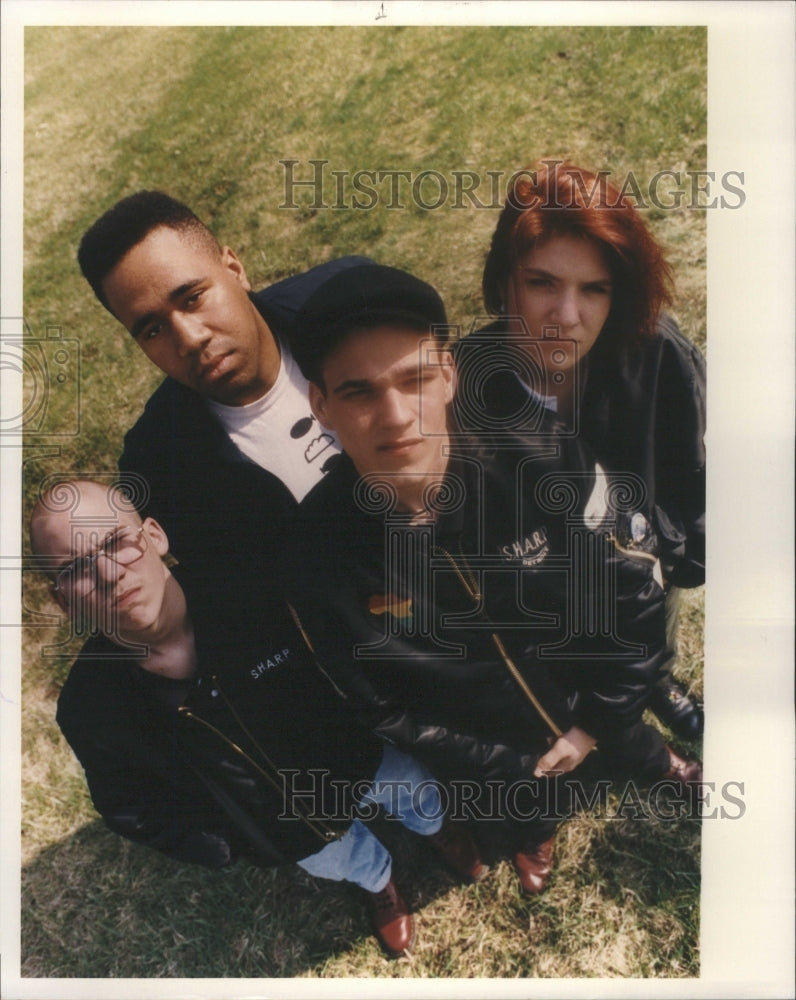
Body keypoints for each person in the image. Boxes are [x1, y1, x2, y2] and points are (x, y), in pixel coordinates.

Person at [285, 263, 703, 898]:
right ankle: (537, 828)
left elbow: (635, 592)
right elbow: (377, 704)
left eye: (415, 379)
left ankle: (657, 761)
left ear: (449, 375)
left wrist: (594, 722)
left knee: (628, 737)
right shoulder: (317, 551)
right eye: (359, 392)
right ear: (320, 405)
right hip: (488, 750)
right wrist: (509, 765)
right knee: (520, 807)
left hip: (587, 687)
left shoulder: (535, 454)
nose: (395, 416)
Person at [30, 479, 486, 959]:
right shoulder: (90, 708)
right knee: (343, 859)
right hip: (283, 827)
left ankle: (439, 830)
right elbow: (128, 804)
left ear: (155, 535)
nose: (107, 574)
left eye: (114, 542)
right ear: (63, 600)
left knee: (413, 790)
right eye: (76, 568)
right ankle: (378, 881)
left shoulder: (255, 587)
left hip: (360, 757)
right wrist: (226, 842)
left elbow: (353, 649)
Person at [454, 159, 706, 740]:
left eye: (594, 290)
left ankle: (657, 678)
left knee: (652, 621)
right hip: (544, 597)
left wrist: (656, 550)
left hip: (644, 570)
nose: (567, 317)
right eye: (542, 283)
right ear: (502, 283)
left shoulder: (656, 352)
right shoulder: (462, 385)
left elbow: (694, 475)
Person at [77, 190, 372, 595]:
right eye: (153, 330)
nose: (190, 339)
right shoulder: (162, 468)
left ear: (234, 268)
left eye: (193, 298)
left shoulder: (356, 304)